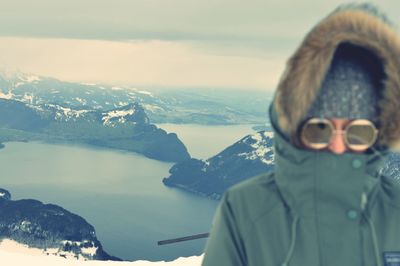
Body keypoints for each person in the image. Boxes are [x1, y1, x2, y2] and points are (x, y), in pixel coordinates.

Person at [202, 3, 400, 266]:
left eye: (359, 131)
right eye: (320, 128)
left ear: (379, 133)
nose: (338, 146)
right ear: (295, 129)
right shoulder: (244, 209)